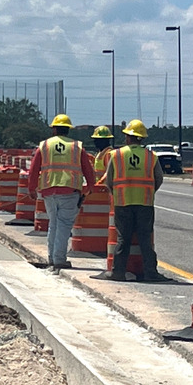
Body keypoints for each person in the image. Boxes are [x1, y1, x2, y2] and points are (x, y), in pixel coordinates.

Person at [91, 120, 168, 282]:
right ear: (142, 139)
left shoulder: (116, 155)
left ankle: (118, 272)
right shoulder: (150, 156)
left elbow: (109, 180)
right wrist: (149, 192)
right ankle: (150, 273)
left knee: (123, 239)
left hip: (122, 202)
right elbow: (158, 178)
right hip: (145, 203)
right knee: (145, 239)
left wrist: (116, 193)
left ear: (127, 137)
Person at [28, 114, 96, 275]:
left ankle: (52, 257)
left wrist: (31, 188)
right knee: (64, 224)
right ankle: (59, 259)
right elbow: (88, 170)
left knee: (54, 223)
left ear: (54, 129)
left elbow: (34, 169)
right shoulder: (76, 147)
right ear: (68, 129)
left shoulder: (44, 146)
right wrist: (90, 187)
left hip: (48, 190)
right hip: (69, 190)